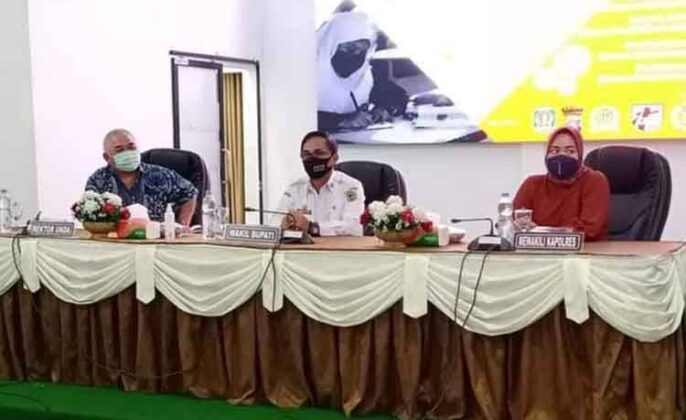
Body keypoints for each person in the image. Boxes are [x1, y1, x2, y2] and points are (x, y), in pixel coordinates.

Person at [513, 126, 610, 241]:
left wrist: (541, 232)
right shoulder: (532, 184)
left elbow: (590, 229)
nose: (561, 156)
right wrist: (519, 225)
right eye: (554, 151)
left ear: (579, 154)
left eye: (570, 151)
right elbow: (512, 222)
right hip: (537, 250)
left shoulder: (594, 180)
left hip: (585, 250)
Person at [317, 11, 408, 131]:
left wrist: (384, 109)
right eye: (350, 48)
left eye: (362, 51)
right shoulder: (304, 74)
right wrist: (342, 121)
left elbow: (397, 95)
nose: (356, 55)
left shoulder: (364, 75)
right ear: (331, 44)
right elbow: (297, 115)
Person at [85, 129, 197, 225]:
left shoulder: (160, 175)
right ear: (106, 157)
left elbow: (190, 192)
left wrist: (183, 224)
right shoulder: (97, 180)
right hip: (113, 239)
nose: (128, 153)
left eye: (131, 147)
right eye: (119, 150)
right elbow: (88, 212)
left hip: (155, 238)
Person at [276, 131, 365, 236]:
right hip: (303, 246)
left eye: (319, 153)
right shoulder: (294, 188)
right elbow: (274, 222)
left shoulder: (350, 187)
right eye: (306, 154)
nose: (311, 159)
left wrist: (313, 228)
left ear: (334, 158)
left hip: (339, 246)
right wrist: (283, 225)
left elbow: (354, 227)